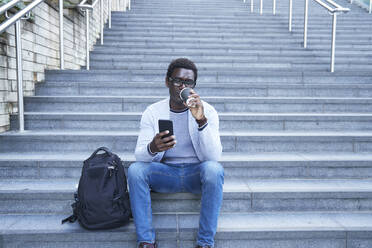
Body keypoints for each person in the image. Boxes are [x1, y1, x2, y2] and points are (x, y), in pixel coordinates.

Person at [128, 58, 224, 248]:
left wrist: (201, 121)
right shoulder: (153, 112)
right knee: (135, 170)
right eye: (178, 81)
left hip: (195, 174)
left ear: (194, 85)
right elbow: (140, 156)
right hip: (166, 173)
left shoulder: (208, 111)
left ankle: (205, 243)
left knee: (214, 169)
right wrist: (153, 147)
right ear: (167, 81)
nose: (182, 86)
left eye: (188, 82)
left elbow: (214, 158)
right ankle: (146, 241)